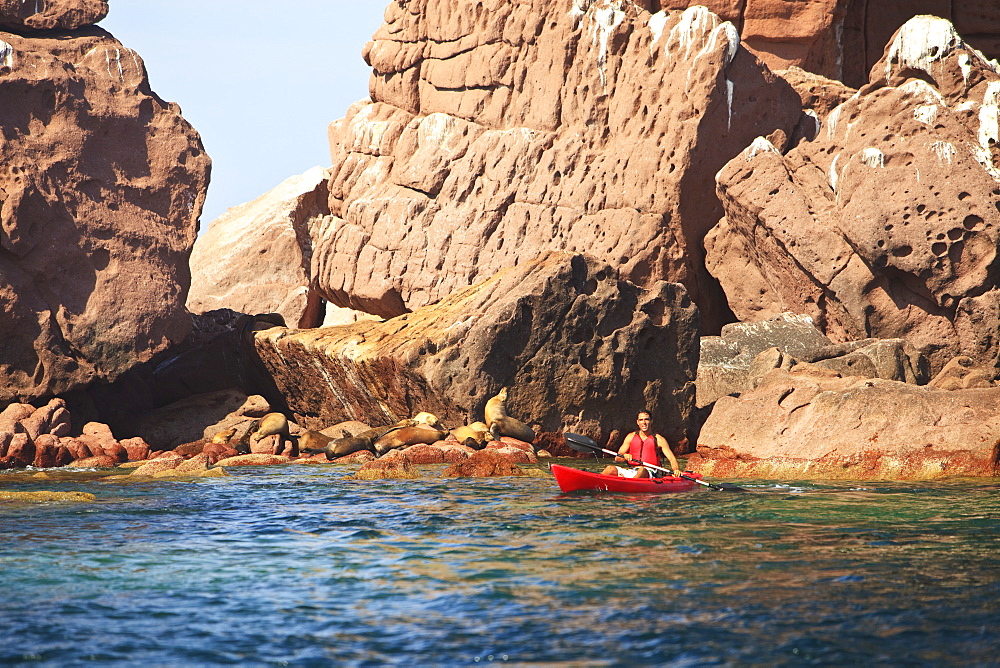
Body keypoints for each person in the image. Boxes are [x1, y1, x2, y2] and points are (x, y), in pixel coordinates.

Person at [601, 411, 681, 479]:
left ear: (651, 421)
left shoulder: (659, 439)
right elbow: (617, 458)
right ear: (637, 422)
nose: (644, 422)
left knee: (642, 470)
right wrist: (624, 456)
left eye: (646, 419)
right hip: (633, 471)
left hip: (651, 472)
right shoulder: (630, 436)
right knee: (610, 468)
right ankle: (596, 482)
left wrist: (676, 470)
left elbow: (671, 459)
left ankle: (629, 484)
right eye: (641, 420)